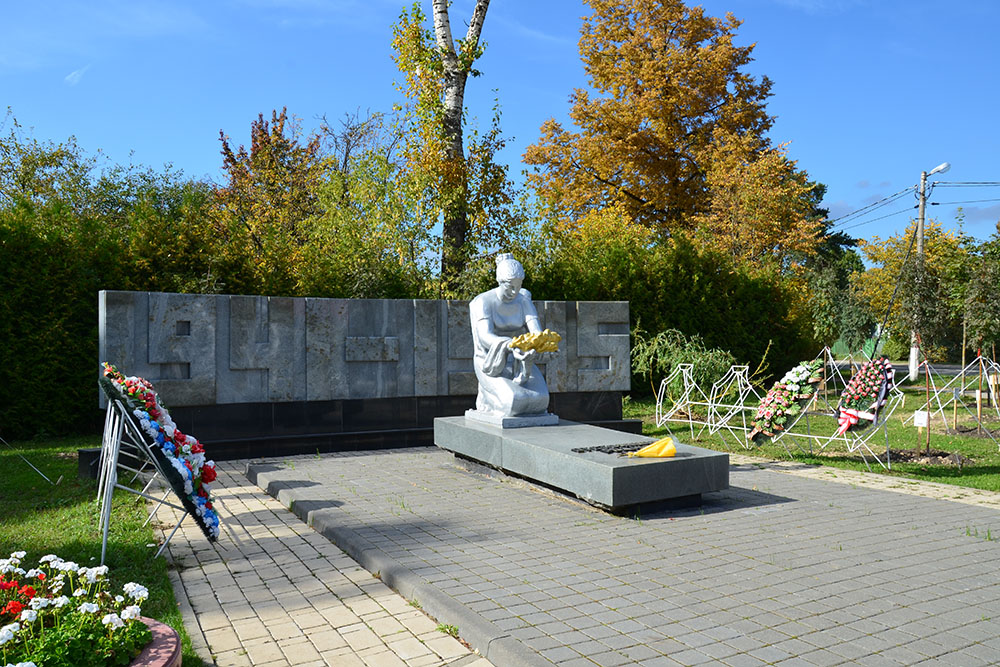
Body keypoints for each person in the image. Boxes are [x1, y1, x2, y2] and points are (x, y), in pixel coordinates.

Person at [469, 254, 552, 418]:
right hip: (491, 362)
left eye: (518, 286)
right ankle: (487, 398)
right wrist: (510, 345)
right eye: (509, 287)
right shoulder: (483, 302)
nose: (514, 292)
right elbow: (485, 336)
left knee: (541, 400)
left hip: (520, 360)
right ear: (500, 282)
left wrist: (544, 344)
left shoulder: (523, 300)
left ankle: (494, 395)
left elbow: (536, 332)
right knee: (516, 400)